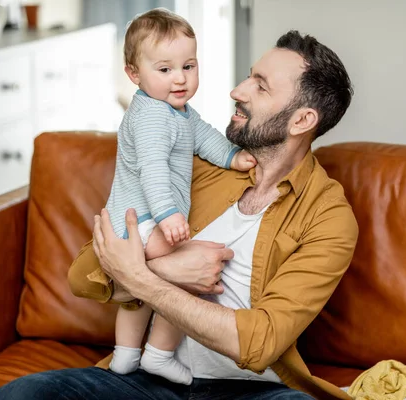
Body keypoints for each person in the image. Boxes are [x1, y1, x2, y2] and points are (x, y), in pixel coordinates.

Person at [0, 29, 358, 400]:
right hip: (147, 381)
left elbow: (260, 342)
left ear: (301, 121)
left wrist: (141, 279)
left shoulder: (327, 217)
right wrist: (166, 269)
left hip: (250, 392)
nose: (238, 90)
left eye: (260, 87)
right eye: (249, 75)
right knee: (21, 396)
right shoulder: (192, 164)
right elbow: (84, 276)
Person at [86, 9, 256, 384]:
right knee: (182, 279)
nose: (180, 78)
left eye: (189, 66)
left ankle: (126, 356)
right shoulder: (150, 116)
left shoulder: (178, 111)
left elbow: (206, 136)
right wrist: (167, 214)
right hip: (143, 220)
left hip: (136, 223)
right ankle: (159, 354)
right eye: (164, 70)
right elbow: (152, 168)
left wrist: (232, 156)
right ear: (134, 74)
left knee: (140, 287)